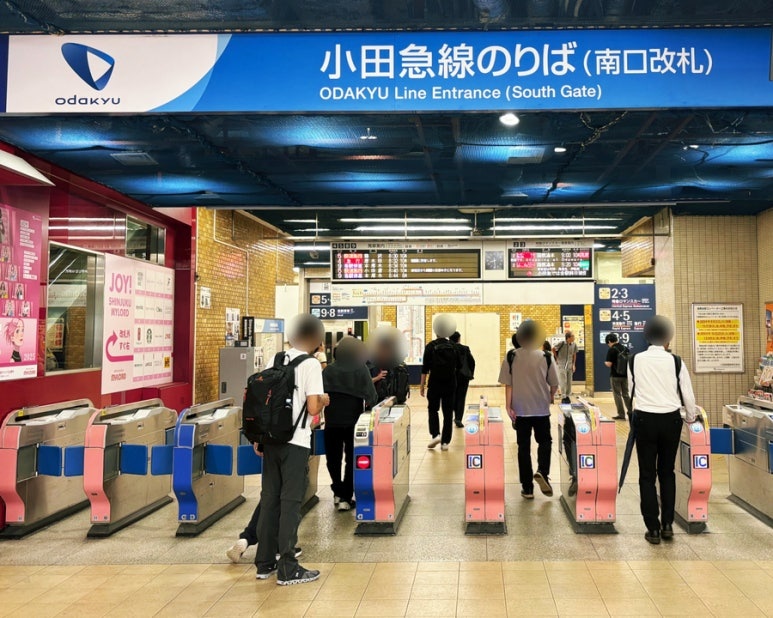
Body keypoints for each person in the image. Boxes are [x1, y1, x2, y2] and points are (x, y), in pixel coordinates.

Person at [255, 314, 329, 585]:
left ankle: (264, 563)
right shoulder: (310, 364)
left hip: (271, 441)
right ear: (315, 338)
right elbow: (312, 408)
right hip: (296, 442)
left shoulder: (276, 359)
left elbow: (263, 400)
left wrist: (259, 437)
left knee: (269, 500)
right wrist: (323, 400)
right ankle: (288, 567)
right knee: (290, 503)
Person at [629, 315, 698, 545]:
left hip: (645, 419)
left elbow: (632, 392)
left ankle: (653, 528)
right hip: (671, 420)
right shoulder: (676, 361)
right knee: (667, 472)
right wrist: (691, 417)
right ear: (667, 337)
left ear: (647, 336)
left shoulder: (634, 361)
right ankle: (668, 524)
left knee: (647, 475)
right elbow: (687, 394)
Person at [499, 320, 559, 499]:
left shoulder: (511, 356)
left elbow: (508, 385)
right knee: (545, 442)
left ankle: (527, 488)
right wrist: (550, 396)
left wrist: (508, 406)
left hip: (520, 410)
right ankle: (543, 472)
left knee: (523, 447)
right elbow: (554, 384)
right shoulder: (546, 356)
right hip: (541, 409)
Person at [323, 337, 378, 511]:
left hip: (332, 422)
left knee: (333, 459)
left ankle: (337, 491)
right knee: (351, 459)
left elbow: (318, 394)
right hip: (353, 423)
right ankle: (346, 497)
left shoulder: (328, 370)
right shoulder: (360, 369)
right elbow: (372, 397)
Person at [420, 315, 460, 451]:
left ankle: (435, 434)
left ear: (436, 331)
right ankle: (445, 443)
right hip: (450, 383)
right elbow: (459, 367)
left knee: (433, 409)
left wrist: (422, 386)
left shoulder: (430, 346)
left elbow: (425, 368)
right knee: (448, 413)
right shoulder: (454, 347)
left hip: (434, 383)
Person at [368, 327, 410, 404]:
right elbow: (365, 382)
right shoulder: (373, 364)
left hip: (394, 401)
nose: (385, 352)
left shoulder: (398, 365)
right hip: (377, 401)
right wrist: (377, 378)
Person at [450, 331, 475, 428]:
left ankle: (450, 416)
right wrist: (470, 373)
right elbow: (472, 362)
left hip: (451, 377)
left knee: (451, 396)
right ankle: (458, 418)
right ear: (459, 339)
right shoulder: (465, 348)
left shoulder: (448, 348)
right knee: (461, 397)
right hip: (464, 377)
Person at [604, 333, 632, 421]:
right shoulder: (625, 348)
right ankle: (631, 412)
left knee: (617, 395)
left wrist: (605, 363)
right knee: (626, 394)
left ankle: (621, 414)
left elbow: (609, 364)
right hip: (625, 375)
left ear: (609, 341)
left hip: (615, 375)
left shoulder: (612, 350)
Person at [553, 331, 577, 399]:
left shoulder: (574, 344)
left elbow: (574, 354)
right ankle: (563, 395)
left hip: (570, 364)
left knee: (569, 380)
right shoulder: (562, 343)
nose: (574, 338)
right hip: (562, 364)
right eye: (573, 336)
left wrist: (574, 364)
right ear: (568, 338)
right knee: (563, 380)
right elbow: (553, 349)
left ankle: (568, 395)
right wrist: (557, 358)